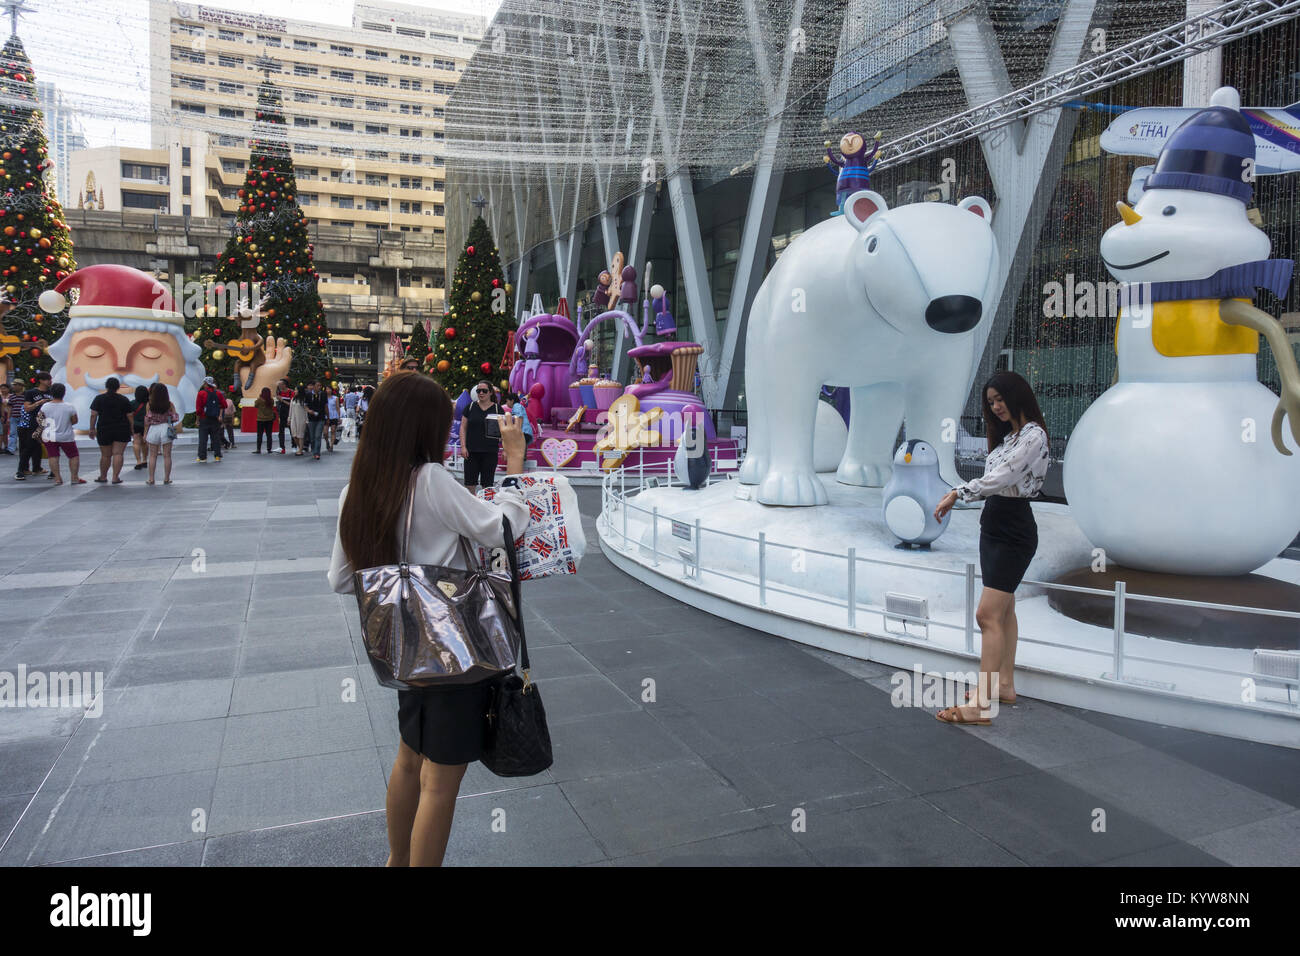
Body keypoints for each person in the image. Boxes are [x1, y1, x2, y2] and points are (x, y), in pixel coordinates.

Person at [328, 374, 530, 867]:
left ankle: (397, 861)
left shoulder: (358, 487)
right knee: (441, 781)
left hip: (406, 653)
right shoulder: (431, 480)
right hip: (456, 649)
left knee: (408, 760)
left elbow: (339, 578)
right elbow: (500, 528)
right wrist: (516, 463)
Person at [932, 371, 1050, 725]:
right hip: (995, 524)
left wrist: (958, 492)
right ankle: (1004, 685)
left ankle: (982, 705)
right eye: (991, 402)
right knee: (1004, 610)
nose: (996, 407)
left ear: (1017, 396)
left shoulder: (1033, 436)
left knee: (986, 615)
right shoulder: (1007, 439)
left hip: (1014, 527)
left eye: (1000, 399)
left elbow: (1002, 479)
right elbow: (997, 479)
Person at [88, 376, 134, 484]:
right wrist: (132, 428)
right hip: (121, 428)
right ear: (118, 387)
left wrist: (91, 428)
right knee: (118, 454)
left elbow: (93, 415)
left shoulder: (99, 399)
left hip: (104, 428)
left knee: (105, 455)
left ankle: (103, 476)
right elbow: (130, 415)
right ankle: (115, 477)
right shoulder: (124, 399)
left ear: (106, 386)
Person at [460, 381, 503, 494]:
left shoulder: (498, 409)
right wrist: (463, 446)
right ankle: (471, 508)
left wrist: (506, 448)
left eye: (484, 391)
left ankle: (486, 509)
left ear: (490, 393)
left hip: (490, 452)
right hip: (471, 452)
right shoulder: (470, 407)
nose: (481, 393)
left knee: (487, 486)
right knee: (469, 484)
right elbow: (463, 428)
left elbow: (504, 431)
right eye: (478, 391)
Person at [39, 383, 83, 485]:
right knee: (73, 456)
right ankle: (74, 478)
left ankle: (57, 479)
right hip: (66, 435)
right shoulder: (69, 407)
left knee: (53, 456)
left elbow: (41, 419)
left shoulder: (45, 406)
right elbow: (75, 420)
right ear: (64, 393)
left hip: (49, 435)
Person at [16, 371, 52, 480]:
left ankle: (45, 469)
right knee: (29, 446)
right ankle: (20, 470)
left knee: (51, 447)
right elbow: (27, 408)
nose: (50, 381)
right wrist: (39, 403)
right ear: (41, 380)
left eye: (50, 379)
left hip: (49, 422)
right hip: (35, 422)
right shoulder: (31, 392)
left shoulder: (52, 392)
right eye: (47, 379)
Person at [143, 382, 180, 485]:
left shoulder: (149, 404)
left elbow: (147, 420)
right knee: (167, 455)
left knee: (152, 456)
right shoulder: (169, 404)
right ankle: (167, 478)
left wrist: (145, 434)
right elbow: (175, 417)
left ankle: (151, 479)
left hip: (153, 429)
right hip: (166, 428)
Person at [194, 375, 227, 463]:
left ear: (205, 384)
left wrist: (197, 420)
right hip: (215, 419)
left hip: (204, 419)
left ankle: (202, 457)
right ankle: (217, 456)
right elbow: (224, 405)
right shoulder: (218, 393)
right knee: (215, 438)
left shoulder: (201, 393)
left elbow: (199, 409)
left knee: (203, 439)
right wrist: (219, 415)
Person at [304, 380, 328, 459]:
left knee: (318, 436)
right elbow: (305, 406)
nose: (319, 387)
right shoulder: (308, 395)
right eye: (318, 386)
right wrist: (309, 411)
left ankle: (317, 453)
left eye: (320, 386)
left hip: (321, 418)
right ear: (313, 386)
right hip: (311, 418)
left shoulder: (323, 394)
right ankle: (314, 449)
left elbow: (325, 406)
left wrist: (327, 417)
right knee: (312, 437)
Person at [130, 384, 150, 470]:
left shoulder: (132, 403)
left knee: (136, 443)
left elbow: (129, 415)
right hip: (146, 426)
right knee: (144, 443)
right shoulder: (149, 403)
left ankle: (138, 461)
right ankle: (145, 460)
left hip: (135, 425)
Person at [253, 387, 275, 453]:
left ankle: (258, 449)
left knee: (259, 435)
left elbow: (255, 405)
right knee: (269, 435)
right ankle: (269, 449)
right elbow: (272, 406)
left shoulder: (259, 400)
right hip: (269, 419)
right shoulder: (271, 400)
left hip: (260, 419)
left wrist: (259, 397)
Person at [289, 385, 308, 455]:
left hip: (301, 419)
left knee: (300, 435)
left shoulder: (304, 399)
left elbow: (306, 410)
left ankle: (300, 450)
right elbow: (290, 410)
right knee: (294, 435)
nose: (295, 391)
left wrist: (307, 420)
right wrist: (289, 418)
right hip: (293, 419)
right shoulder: (293, 399)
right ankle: (301, 448)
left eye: (296, 390)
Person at [276, 379, 294, 454]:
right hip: (281, 413)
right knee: (281, 431)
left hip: (290, 413)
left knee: (292, 430)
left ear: (285, 385)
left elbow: (292, 405)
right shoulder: (279, 392)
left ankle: (294, 446)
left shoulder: (291, 392)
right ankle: (282, 447)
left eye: (281, 384)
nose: (279, 386)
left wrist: (282, 400)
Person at [326, 384, 341, 451]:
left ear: (332, 390)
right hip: (326, 416)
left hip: (334, 416)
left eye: (329, 389)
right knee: (325, 433)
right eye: (326, 389)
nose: (328, 390)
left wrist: (339, 417)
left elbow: (338, 408)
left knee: (333, 431)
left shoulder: (335, 398)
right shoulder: (324, 398)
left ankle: (331, 446)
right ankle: (327, 442)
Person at [0, 382, 13, 455]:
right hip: (2, 414)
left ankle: (8, 445)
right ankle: (4, 446)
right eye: (1, 389)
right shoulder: (0, 396)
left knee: (9, 431)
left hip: (10, 414)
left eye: (4, 388)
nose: (2, 390)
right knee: (3, 431)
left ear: (8, 389)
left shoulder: (11, 396)